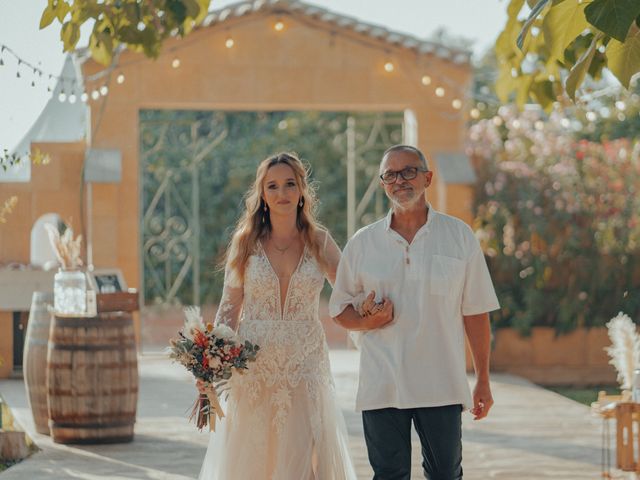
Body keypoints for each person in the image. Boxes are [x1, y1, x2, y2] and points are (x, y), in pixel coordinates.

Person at [330, 144, 499, 480]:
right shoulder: (362, 243)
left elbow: (476, 312)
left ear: (427, 178)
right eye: (391, 174)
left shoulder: (459, 236)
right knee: (389, 476)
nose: (400, 180)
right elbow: (340, 310)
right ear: (382, 184)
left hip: (442, 383)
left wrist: (483, 380)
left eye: (409, 171)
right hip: (382, 384)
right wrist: (368, 320)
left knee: (445, 475)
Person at [198, 152, 356, 480]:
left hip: (305, 363)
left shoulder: (320, 241)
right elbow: (229, 307)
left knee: (307, 453)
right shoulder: (245, 243)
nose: (282, 193)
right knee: (255, 457)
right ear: (263, 195)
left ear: (301, 192)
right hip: (255, 365)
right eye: (273, 186)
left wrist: (372, 313)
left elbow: (349, 293)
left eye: (289, 184)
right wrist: (211, 360)